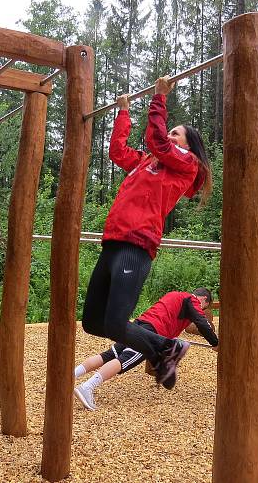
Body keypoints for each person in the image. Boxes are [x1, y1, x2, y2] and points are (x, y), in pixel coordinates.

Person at [81, 76, 212, 389]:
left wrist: (159, 98)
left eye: (176, 133)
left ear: (188, 145)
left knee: (115, 323)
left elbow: (158, 141)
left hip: (136, 246)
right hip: (113, 242)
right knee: (92, 322)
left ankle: (164, 348)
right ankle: (166, 348)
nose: (170, 135)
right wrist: (123, 112)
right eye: (170, 131)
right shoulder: (145, 161)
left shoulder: (187, 164)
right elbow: (117, 152)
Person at [74, 288, 218, 410]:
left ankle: (70, 377)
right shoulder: (191, 300)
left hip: (139, 324)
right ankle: (87, 387)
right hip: (151, 333)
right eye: (204, 307)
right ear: (204, 299)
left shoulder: (174, 294)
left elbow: (168, 316)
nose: (201, 309)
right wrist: (215, 343)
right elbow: (201, 322)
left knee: (109, 354)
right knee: (125, 360)